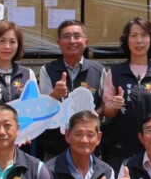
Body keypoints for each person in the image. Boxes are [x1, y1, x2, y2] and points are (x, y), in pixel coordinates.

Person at [100, 17, 151, 172]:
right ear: (126, 41)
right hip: (121, 147)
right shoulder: (115, 72)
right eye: (134, 36)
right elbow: (107, 112)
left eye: (144, 35)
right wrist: (115, 106)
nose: (139, 41)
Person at [37, 20, 105, 161]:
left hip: (89, 145)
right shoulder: (47, 70)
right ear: (59, 42)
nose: (72, 41)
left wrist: (95, 115)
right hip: (56, 145)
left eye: (77, 36)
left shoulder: (98, 71)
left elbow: (104, 104)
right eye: (66, 36)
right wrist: (54, 95)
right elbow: (42, 109)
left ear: (86, 41)